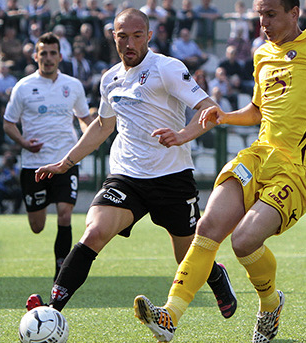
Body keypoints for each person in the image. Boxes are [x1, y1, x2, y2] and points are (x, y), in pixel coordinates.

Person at [133, 0, 306, 343]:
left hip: (299, 169)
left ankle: (270, 303)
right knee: (207, 227)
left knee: (244, 241)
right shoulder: (261, 54)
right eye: (259, 15)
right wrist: (223, 116)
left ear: (294, 13)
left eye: (271, 14)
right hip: (259, 156)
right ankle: (169, 316)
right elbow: (257, 110)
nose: (262, 22)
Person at [26, 9, 238, 322]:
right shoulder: (109, 78)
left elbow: (210, 109)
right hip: (126, 176)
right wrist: (65, 162)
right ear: (113, 37)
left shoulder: (167, 68)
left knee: (186, 256)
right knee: (94, 232)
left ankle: (217, 277)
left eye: (137, 35)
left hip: (171, 177)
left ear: (149, 36)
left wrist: (182, 135)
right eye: (122, 36)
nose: (130, 42)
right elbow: (102, 126)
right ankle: (50, 311)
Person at [3, 32, 94, 279]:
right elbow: (8, 123)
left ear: (60, 57)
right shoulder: (23, 87)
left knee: (65, 213)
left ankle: (60, 277)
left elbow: (85, 119)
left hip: (65, 162)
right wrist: (23, 142)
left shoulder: (72, 85)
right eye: (43, 53)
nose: (48, 58)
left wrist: (88, 137)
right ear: (36, 56)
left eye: (53, 53)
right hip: (34, 164)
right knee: (37, 226)